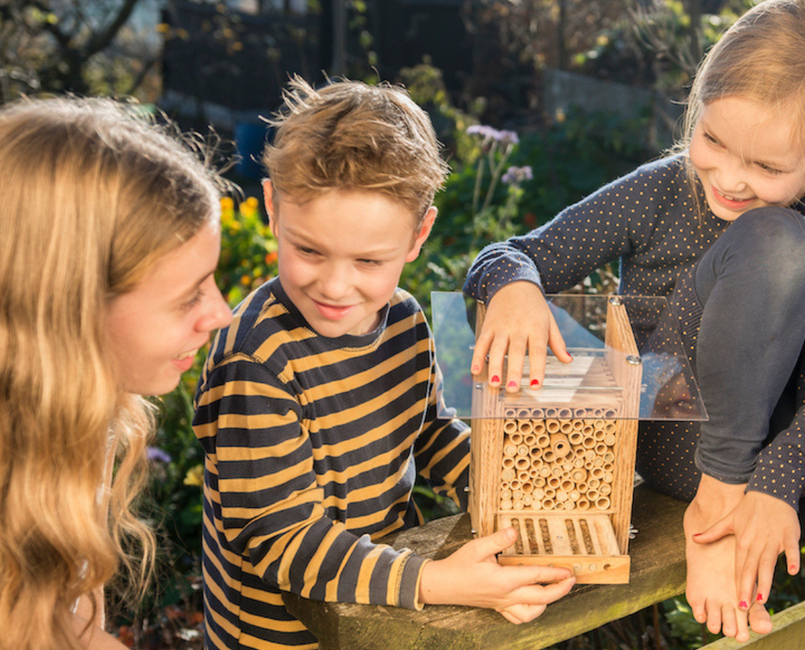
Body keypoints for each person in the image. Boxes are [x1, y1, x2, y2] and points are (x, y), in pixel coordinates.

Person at [463, 0, 805, 645]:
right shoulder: (658, 191)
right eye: (713, 140)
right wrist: (513, 288)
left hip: (787, 442)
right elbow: (509, 255)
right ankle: (716, 501)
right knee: (776, 240)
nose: (730, 178)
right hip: (672, 429)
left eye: (766, 167)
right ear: (696, 105)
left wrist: (779, 481)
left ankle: (731, 493)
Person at [191, 78, 575, 650]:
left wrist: (499, 489)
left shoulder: (403, 321)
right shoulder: (256, 361)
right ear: (272, 206)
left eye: (369, 260)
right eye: (309, 251)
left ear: (419, 233)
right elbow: (282, 540)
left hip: (381, 605)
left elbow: (429, 431)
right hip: (280, 636)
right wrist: (443, 581)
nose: (336, 286)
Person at [0, 98, 233, 650]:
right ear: (64, 315)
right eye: (187, 298)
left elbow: (67, 631)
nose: (222, 313)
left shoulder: (83, 410)